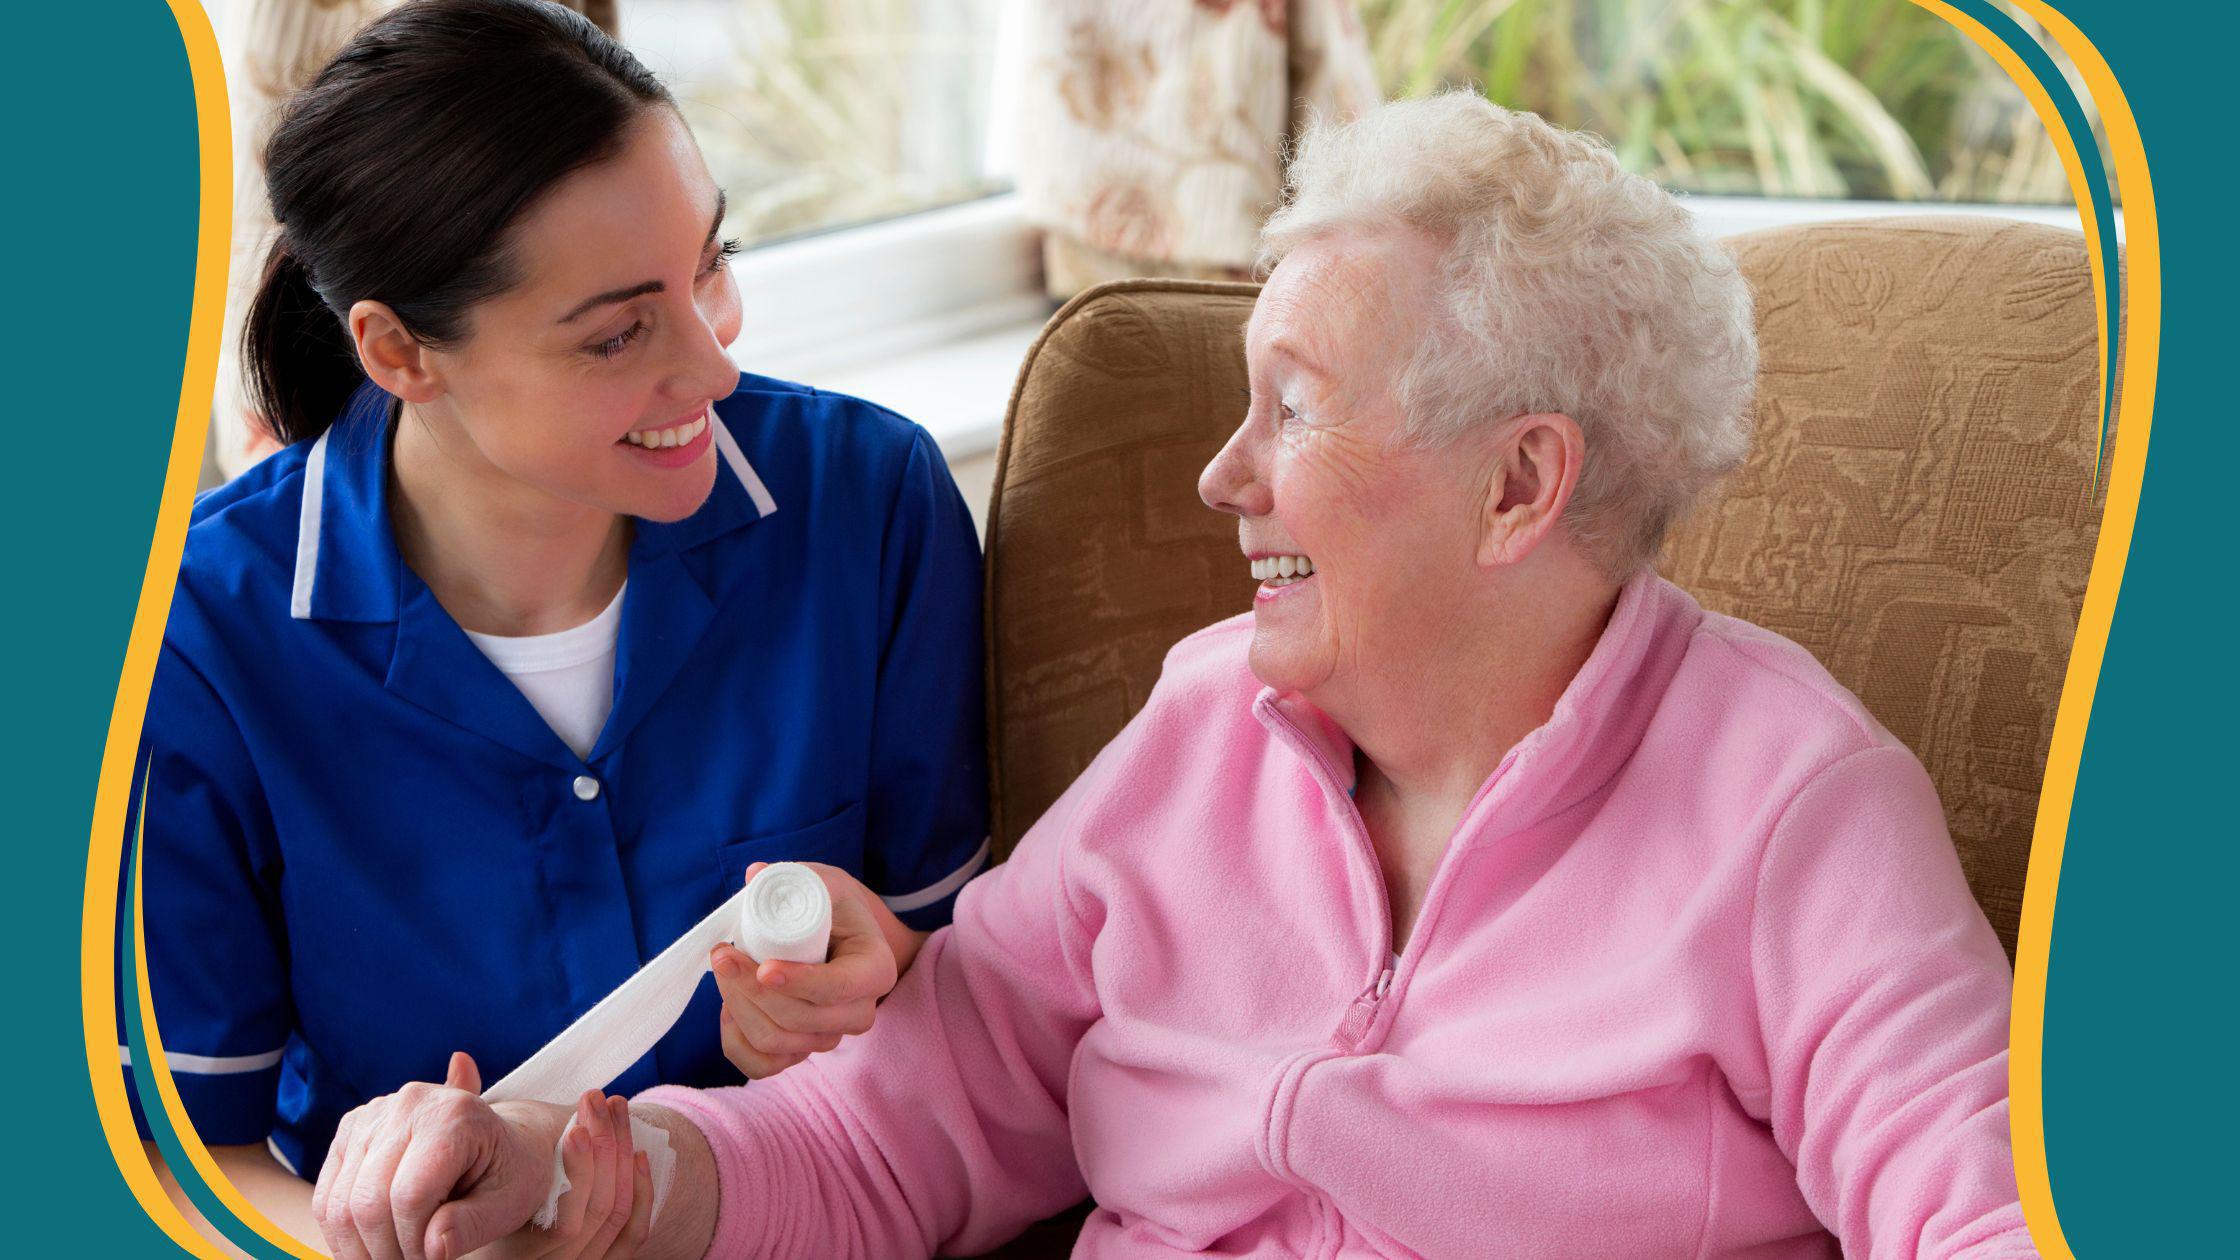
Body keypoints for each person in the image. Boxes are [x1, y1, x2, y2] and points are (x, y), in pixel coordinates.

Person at [319, 91, 2038, 1260]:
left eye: (1289, 407)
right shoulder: (1208, 725)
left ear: (1520, 485)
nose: (1222, 478)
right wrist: (586, 1183)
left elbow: (1985, 1213)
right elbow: (891, 1134)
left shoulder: (1790, 805)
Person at [124, 0, 988, 1244]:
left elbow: (978, 989)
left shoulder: (868, 504)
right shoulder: (198, 642)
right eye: (620, 332)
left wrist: (885, 972)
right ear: (399, 351)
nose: (714, 367)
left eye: (709, 267)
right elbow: (188, 1158)